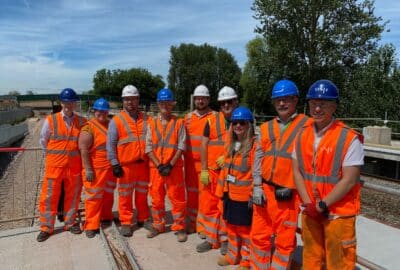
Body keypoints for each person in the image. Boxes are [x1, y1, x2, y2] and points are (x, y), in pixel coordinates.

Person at [292, 79, 364, 269]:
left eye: (323, 103)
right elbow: (297, 171)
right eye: (314, 103)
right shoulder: (301, 134)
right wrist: (309, 204)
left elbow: (349, 180)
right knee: (311, 258)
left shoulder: (349, 137)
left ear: (334, 106)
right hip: (310, 211)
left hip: (338, 215)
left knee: (339, 263)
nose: (317, 108)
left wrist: (323, 205)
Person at [250, 79, 310, 269]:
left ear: (296, 100)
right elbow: (257, 158)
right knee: (259, 235)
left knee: (285, 242)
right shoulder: (265, 128)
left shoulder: (308, 126)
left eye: (287, 99)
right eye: (278, 100)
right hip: (265, 192)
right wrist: (257, 186)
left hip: (289, 196)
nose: (282, 104)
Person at [37, 88, 87, 242]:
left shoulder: (82, 122)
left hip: (74, 167)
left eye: (72, 102)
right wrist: (53, 157)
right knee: (49, 197)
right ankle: (46, 227)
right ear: (61, 102)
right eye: (66, 101)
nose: (69, 105)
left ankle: (70, 223)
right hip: (55, 167)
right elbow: (43, 141)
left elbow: (86, 142)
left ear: (75, 103)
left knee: (73, 197)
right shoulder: (50, 120)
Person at [196, 86, 239, 254]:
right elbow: (204, 145)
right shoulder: (211, 120)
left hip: (230, 174)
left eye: (229, 102)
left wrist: (228, 157)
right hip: (212, 173)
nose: (226, 105)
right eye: (223, 103)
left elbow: (244, 142)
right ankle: (211, 239)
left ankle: (225, 240)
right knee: (209, 206)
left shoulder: (242, 119)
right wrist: (204, 170)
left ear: (235, 101)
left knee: (226, 208)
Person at [215, 106, 256, 270]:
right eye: (234, 123)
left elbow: (256, 173)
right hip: (230, 195)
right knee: (231, 228)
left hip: (245, 198)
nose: (238, 126)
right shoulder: (233, 144)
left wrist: (253, 194)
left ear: (249, 125)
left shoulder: (254, 145)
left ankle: (246, 260)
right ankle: (232, 256)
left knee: (245, 232)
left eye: (242, 123)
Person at [107, 85, 150, 237]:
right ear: (123, 101)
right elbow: (110, 144)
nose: (130, 102)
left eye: (132, 98)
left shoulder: (147, 118)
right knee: (125, 195)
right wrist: (114, 163)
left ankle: (143, 218)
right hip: (126, 167)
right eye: (127, 99)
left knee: (142, 194)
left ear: (138, 99)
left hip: (144, 165)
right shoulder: (117, 120)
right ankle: (126, 222)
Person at [145, 88, 188, 242]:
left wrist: (169, 164)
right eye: (162, 103)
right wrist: (159, 165)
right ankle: (158, 225)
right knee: (156, 198)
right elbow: (148, 147)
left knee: (177, 199)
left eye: (168, 103)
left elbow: (181, 146)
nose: (165, 106)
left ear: (172, 104)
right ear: (158, 104)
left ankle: (179, 227)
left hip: (173, 168)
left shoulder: (179, 123)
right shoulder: (151, 123)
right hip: (156, 169)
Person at [78, 98, 116, 238]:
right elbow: (83, 150)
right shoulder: (89, 127)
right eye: (99, 111)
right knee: (93, 197)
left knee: (108, 194)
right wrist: (88, 169)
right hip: (96, 169)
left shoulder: (111, 124)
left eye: (104, 111)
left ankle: (106, 217)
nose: (102, 113)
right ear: (94, 111)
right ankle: (91, 225)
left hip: (110, 168)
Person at [183, 85, 216, 235]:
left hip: (207, 164)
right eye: (198, 98)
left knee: (206, 197)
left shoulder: (216, 117)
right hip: (190, 164)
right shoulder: (188, 118)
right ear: (194, 99)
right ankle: (190, 223)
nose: (200, 101)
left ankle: (203, 227)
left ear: (208, 99)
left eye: (203, 98)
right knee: (191, 195)